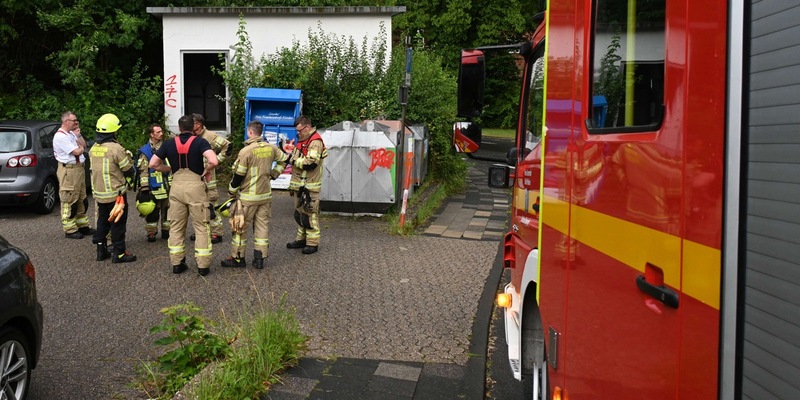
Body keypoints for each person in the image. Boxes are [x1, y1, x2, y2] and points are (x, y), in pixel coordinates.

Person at [150, 115, 219, 276]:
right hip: (195, 186)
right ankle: (202, 266)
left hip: (177, 187)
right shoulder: (200, 142)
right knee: (201, 227)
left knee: (176, 227)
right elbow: (214, 161)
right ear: (193, 128)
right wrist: (206, 169)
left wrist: (168, 170)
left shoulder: (168, 143)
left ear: (179, 128)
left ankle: (177, 264)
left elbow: (153, 164)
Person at [221, 120, 290, 269]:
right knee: (262, 227)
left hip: (248, 198)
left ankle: (238, 259)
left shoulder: (246, 151)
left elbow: (238, 175)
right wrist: (274, 174)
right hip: (265, 196)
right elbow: (285, 159)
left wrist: (231, 192)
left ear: (250, 132)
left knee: (240, 227)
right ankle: (259, 259)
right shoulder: (271, 148)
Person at [89, 113, 136, 263]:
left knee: (102, 222)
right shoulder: (116, 149)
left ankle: (101, 251)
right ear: (113, 131)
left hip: (99, 194)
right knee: (118, 224)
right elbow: (128, 169)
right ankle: (119, 254)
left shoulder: (93, 148)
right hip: (116, 196)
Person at [285, 115, 327, 255]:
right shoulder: (302, 141)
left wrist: (292, 160)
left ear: (307, 127)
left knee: (310, 216)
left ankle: (312, 243)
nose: (298, 133)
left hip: (310, 187)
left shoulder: (315, 142)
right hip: (300, 186)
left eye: (300, 130)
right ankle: (301, 239)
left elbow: (311, 163)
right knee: (300, 214)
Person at [189, 113, 231, 244]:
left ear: (198, 124)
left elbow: (228, 146)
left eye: (192, 123)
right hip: (195, 176)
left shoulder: (210, 136)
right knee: (197, 205)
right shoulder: (191, 137)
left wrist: (216, 161)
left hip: (209, 177)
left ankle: (216, 233)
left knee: (212, 205)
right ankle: (202, 232)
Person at [53, 111, 95, 239]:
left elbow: (84, 144)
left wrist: (78, 136)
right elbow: (77, 151)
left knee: (81, 198)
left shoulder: (71, 133)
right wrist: (80, 148)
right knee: (69, 199)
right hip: (69, 171)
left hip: (78, 169)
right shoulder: (60, 136)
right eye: (74, 120)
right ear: (66, 121)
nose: (76, 122)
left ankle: (82, 226)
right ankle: (70, 229)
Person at [136, 124, 171, 242]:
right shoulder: (145, 151)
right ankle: (151, 232)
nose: (161, 134)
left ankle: (167, 231)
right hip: (153, 186)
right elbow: (143, 170)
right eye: (158, 132)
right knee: (153, 212)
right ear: (152, 134)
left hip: (167, 185)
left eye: (161, 131)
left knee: (168, 210)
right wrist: (144, 188)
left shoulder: (167, 147)